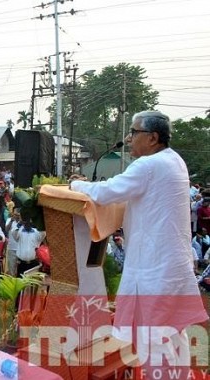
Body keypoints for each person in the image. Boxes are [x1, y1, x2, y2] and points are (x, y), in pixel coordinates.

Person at [70, 110, 208, 378]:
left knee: (153, 341)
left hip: (154, 269)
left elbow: (106, 192)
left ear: (153, 138)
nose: (129, 138)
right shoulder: (175, 160)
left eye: (134, 133)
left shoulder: (149, 165)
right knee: (171, 338)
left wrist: (76, 185)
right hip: (171, 265)